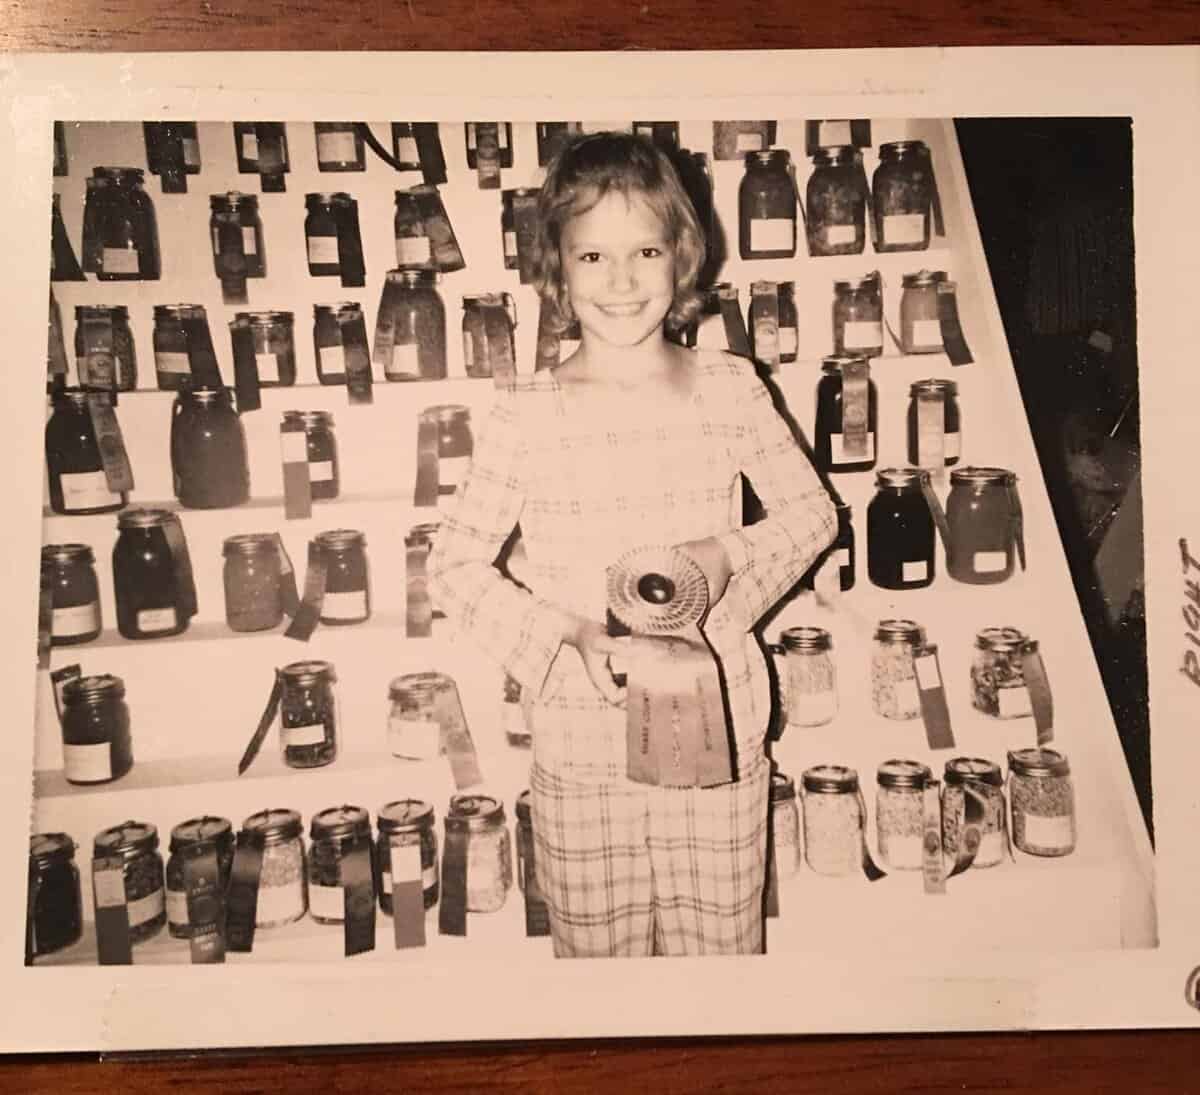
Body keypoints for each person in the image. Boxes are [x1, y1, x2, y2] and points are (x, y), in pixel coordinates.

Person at [427, 131, 836, 958]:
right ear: (558, 268)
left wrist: (726, 558)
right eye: (593, 256)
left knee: (721, 968)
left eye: (645, 250)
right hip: (580, 749)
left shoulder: (729, 385)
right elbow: (454, 563)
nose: (621, 282)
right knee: (599, 983)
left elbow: (814, 516)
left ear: (683, 256)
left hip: (717, 739)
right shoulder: (524, 409)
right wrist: (567, 634)